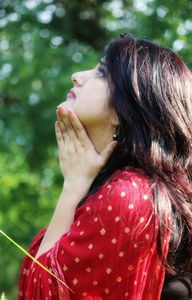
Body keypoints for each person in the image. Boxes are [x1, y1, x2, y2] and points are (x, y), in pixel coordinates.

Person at [18, 33, 192, 300]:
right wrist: (76, 182)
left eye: (101, 72)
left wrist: (73, 185)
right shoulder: (130, 187)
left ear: (129, 108)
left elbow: (39, 293)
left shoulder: (130, 196)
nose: (77, 75)